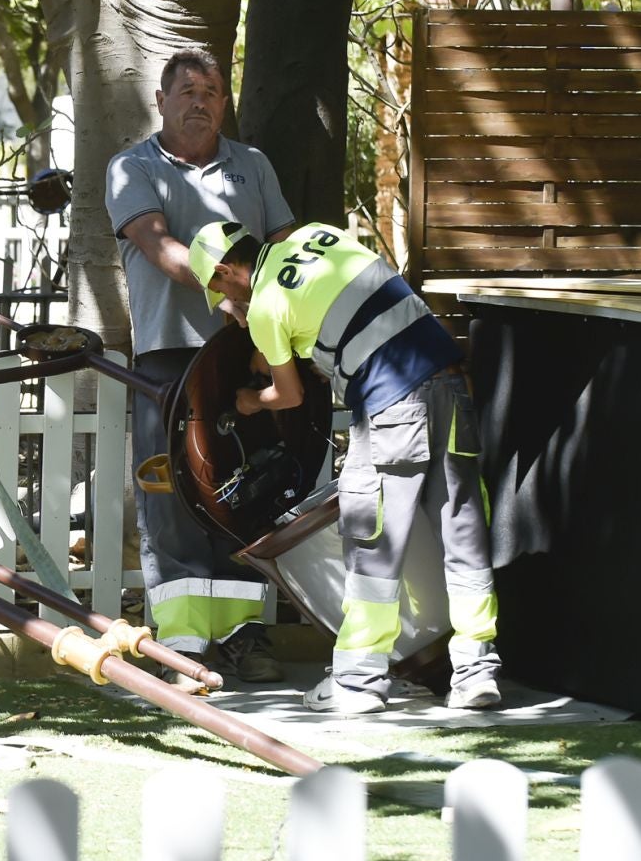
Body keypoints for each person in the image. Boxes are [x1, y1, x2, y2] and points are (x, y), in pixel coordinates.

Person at [186, 218, 504, 713]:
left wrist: (250, 403)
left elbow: (288, 395)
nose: (230, 302)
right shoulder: (319, 235)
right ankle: (477, 671)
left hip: (393, 402)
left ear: (228, 271)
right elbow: (355, 312)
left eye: (221, 289)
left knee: (372, 535)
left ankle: (359, 682)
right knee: (461, 526)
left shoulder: (268, 304)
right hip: (451, 382)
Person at [105, 47, 295, 692]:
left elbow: (280, 250)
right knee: (173, 493)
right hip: (167, 354)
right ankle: (184, 647)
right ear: (160, 101)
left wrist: (271, 323)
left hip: (245, 355)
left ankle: (245, 639)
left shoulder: (255, 166)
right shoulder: (132, 167)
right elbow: (157, 246)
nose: (199, 101)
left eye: (211, 90)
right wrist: (228, 293)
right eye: (186, 90)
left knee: (243, 491)